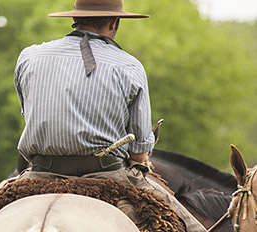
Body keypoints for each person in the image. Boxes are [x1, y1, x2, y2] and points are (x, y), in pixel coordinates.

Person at [13, 0, 206, 231]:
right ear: (115, 22)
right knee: (188, 226)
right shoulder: (129, 66)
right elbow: (139, 151)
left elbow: (29, 114)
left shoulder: (29, 57)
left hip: (39, 173)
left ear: (74, 19)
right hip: (109, 175)